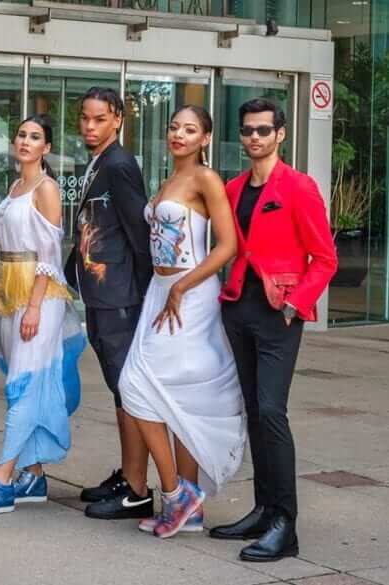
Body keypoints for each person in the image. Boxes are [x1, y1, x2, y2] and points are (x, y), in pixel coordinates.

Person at [210, 98, 337, 562]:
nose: (255, 137)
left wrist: (296, 304)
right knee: (253, 412)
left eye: (263, 130)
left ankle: (286, 523)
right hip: (238, 308)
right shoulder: (233, 188)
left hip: (278, 311)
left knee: (271, 411)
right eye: (247, 130)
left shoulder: (298, 187)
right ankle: (264, 510)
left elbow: (325, 258)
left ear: (280, 134)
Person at [118, 106, 247, 538]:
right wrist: (165, 288)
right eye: (174, 127)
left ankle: (175, 493)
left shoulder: (205, 179)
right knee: (170, 393)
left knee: (134, 385)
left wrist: (182, 286)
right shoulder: (169, 179)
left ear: (205, 138)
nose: (178, 134)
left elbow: (227, 245)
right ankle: (188, 507)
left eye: (190, 130)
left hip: (189, 295)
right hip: (160, 292)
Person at [0, 115, 85, 517]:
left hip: (39, 298)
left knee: (23, 386)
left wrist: (34, 306)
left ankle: (2, 480)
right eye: (21, 135)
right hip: (9, 294)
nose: (25, 141)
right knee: (21, 383)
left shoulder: (46, 188)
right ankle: (33, 475)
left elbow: (49, 252)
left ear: (46, 148)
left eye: (35, 137)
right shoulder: (15, 186)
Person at [63, 87, 155, 520]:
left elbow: (140, 235)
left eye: (99, 119)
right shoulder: (98, 162)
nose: (89, 126)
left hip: (121, 298)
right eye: (85, 118)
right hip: (101, 295)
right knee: (120, 391)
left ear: (117, 118)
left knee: (129, 391)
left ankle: (137, 489)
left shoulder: (119, 164)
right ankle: (128, 475)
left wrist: (145, 297)